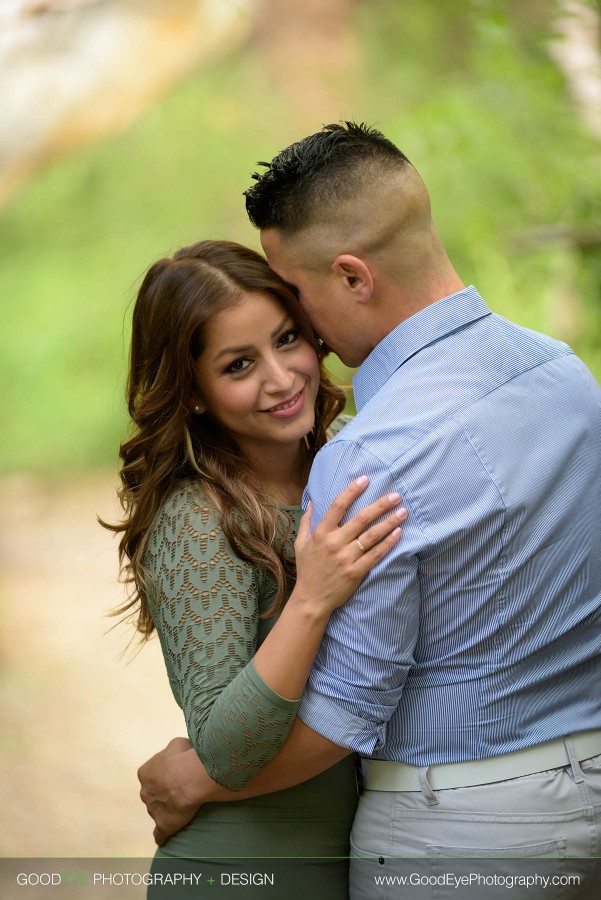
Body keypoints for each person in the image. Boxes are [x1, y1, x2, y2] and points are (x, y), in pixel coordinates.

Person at [138, 124, 601, 898]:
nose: (304, 344)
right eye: (240, 362)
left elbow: (350, 708)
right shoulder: (565, 376)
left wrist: (201, 782)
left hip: (451, 830)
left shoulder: (366, 457)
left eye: (297, 312)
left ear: (351, 276)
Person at [107, 238, 406, 897]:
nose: (281, 377)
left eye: (288, 338)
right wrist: (310, 600)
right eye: (239, 364)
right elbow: (225, 749)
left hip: (364, 859)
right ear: (191, 393)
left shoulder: (349, 465)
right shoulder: (197, 518)